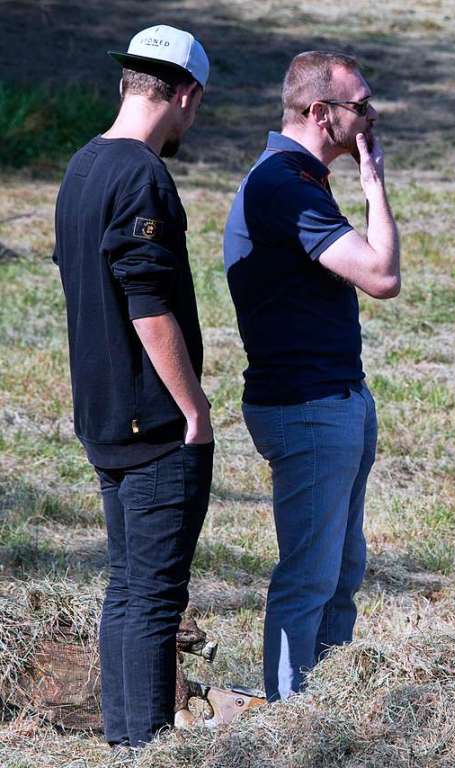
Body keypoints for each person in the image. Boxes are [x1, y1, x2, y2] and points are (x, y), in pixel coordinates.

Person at [52, 25, 213, 747]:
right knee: (152, 599)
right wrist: (193, 406)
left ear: (128, 83)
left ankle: (125, 744)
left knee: (125, 589)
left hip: (103, 419)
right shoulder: (143, 176)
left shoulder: (82, 166)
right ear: (183, 94)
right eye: (194, 107)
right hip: (153, 427)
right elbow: (147, 304)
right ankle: (144, 748)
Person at [223, 51, 399, 701]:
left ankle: (327, 709)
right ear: (320, 113)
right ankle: (289, 722)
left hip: (334, 399)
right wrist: (375, 185)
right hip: (308, 408)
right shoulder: (284, 186)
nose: (371, 117)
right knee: (310, 578)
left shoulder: (298, 177)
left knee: (341, 572)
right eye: (361, 106)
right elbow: (381, 275)